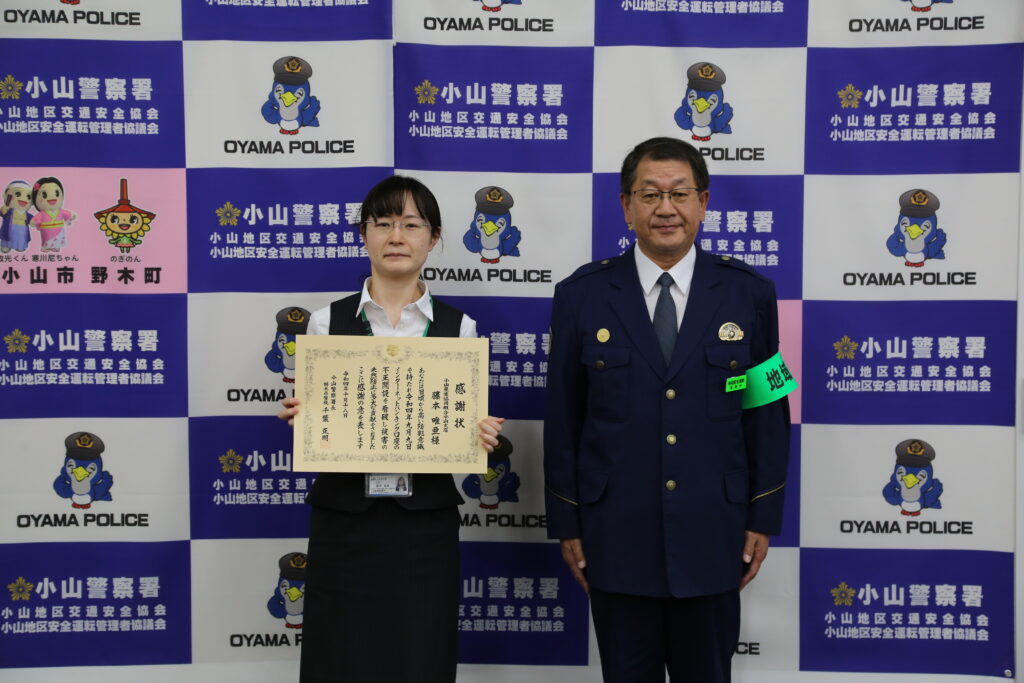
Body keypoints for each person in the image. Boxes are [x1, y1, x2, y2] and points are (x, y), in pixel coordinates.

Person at [543, 137, 790, 683]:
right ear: (626, 205)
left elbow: (768, 412)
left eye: (679, 194)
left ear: (703, 203)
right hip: (615, 535)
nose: (665, 208)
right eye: (650, 194)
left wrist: (762, 516)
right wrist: (567, 522)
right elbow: (563, 419)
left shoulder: (750, 293)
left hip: (714, 533)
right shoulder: (582, 295)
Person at [277, 175, 505, 683]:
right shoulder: (325, 323)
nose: (396, 237)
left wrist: (479, 434)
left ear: (434, 237)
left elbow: (458, 420)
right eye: (382, 224)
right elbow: (320, 415)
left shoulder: (460, 328)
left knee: (421, 650)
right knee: (339, 652)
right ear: (364, 235)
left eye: (411, 225)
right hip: (345, 518)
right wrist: (302, 416)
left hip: (424, 522)